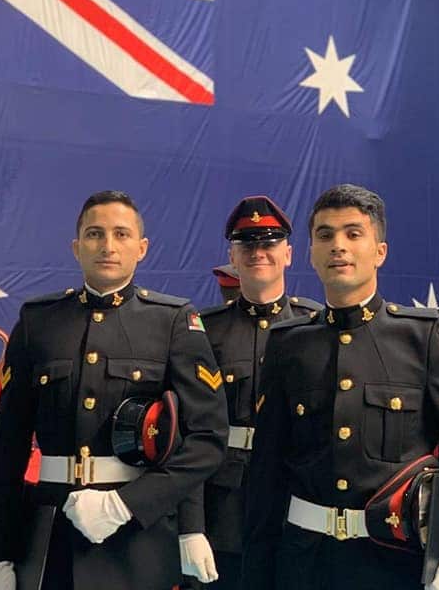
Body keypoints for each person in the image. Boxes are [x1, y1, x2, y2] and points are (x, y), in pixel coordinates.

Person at [242, 184, 439, 590]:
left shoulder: (427, 340)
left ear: (379, 252)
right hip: (302, 565)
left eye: (354, 234)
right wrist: (258, 573)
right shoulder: (288, 344)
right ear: (312, 253)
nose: (338, 246)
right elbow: (266, 475)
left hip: (394, 566)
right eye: (325, 235)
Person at [0, 190, 229, 590]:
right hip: (50, 531)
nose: (108, 246)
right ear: (77, 247)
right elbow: (8, 447)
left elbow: (206, 439)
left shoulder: (172, 323)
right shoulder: (37, 323)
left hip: (136, 534)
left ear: (142, 248)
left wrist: (129, 506)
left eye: (121, 234)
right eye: (95, 234)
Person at [182, 195, 321, 590]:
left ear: (289, 254)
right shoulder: (201, 331)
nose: (259, 252)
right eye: (247, 244)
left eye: (269, 243)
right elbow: (188, 436)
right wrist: (189, 527)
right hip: (222, 509)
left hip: (295, 505)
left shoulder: (316, 327)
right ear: (233, 255)